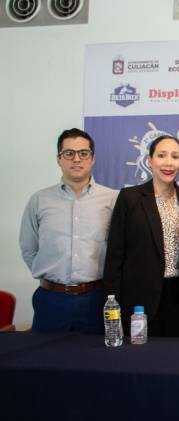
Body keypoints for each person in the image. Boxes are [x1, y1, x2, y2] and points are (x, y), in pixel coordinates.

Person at [19, 128, 117, 333]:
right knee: (45, 361)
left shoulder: (112, 199)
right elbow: (29, 248)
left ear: (93, 159)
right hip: (51, 299)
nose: (76, 159)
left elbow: (119, 249)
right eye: (69, 153)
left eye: (83, 153)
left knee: (95, 362)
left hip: (96, 299)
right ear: (59, 159)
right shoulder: (39, 200)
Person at [103, 136, 179, 337]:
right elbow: (114, 257)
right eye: (161, 155)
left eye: (175, 156)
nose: (168, 163)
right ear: (149, 161)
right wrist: (114, 311)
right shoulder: (130, 198)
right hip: (140, 300)